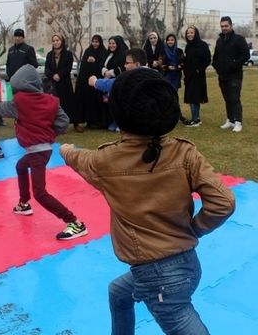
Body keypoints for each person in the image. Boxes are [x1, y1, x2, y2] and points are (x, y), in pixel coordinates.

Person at [61, 68, 235, 334]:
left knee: (179, 318)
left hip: (159, 278)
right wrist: (194, 228)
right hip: (186, 264)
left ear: (119, 113)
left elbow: (78, 159)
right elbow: (223, 202)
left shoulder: (105, 161)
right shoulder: (185, 152)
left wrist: (65, 149)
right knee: (118, 293)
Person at [0, 64, 88, 241]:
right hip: (42, 150)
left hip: (37, 152)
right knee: (21, 166)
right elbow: (64, 121)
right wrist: (50, 133)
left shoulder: (20, 101)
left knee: (40, 193)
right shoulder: (49, 100)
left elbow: (3, 108)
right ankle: (23, 203)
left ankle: (75, 222)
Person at [212, 16, 250, 133]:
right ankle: (230, 120)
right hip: (222, 76)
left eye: (226, 26)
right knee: (227, 99)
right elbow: (216, 57)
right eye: (222, 26)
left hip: (235, 76)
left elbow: (246, 55)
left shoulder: (239, 39)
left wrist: (234, 64)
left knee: (234, 98)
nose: (224, 28)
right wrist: (217, 66)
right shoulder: (219, 40)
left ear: (231, 26)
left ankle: (238, 122)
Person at [73, 35, 106, 131]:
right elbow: (83, 65)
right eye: (93, 41)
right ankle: (87, 121)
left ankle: (97, 121)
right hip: (86, 82)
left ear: (100, 43)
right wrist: (87, 61)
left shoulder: (103, 52)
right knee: (87, 101)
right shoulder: (88, 51)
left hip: (98, 82)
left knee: (96, 101)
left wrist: (95, 62)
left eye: (97, 42)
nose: (95, 44)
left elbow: (102, 66)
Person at [44, 34, 76, 131]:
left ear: (61, 41)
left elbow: (68, 67)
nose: (55, 42)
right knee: (53, 105)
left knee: (69, 104)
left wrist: (59, 75)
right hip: (53, 84)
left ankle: (75, 123)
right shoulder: (49, 55)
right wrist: (53, 75)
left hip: (64, 83)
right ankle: (54, 125)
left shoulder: (68, 54)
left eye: (57, 40)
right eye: (53, 41)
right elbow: (47, 69)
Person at [183, 25, 211, 127]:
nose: (189, 34)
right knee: (192, 97)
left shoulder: (202, 45)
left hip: (198, 76)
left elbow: (207, 59)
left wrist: (199, 69)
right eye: (188, 33)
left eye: (191, 32)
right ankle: (196, 118)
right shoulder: (188, 46)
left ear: (196, 34)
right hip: (189, 75)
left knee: (195, 97)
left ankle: (195, 120)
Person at [100, 35, 129, 131]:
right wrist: (105, 72)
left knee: (118, 103)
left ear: (118, 44)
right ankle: (111, 121)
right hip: (107, 81)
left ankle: (119, 124)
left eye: (113, 43)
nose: (111, 45)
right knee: (109, 102)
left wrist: (111, 72)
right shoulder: (107, 54)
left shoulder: (123, 54)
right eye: (110, 43)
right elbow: (101, 64)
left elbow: (123, 67)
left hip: (118, 82)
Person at [159, 33, 186, 124]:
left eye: (172, 40)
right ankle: (168, 116)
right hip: (166, 76)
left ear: (175, 41)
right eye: (168, 40)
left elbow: (183, 63)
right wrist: (167, 67)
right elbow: (161, 64)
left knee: (174, 95)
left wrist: (177, 67)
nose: (170, 41)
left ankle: (178, 115)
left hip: (176, 76)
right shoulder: (163, 51)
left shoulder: (179, 51)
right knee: (167, 96)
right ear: (166, 41)